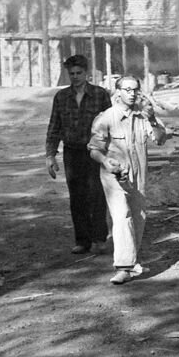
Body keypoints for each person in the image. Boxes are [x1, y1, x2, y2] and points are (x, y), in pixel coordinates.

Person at [87, 75, 167, 286]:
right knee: (122, 216)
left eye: (135, 90)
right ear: (118, 92)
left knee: (138, 216)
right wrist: (106, 161)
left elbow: (160, 139)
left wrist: (152, 119)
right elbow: (94, 150)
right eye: (127, 90)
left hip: (138, 176)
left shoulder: (144, 116)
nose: (132, 94)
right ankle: (123, 267)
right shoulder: (106, 118)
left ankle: (132, 261)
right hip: (114, 176)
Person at [44, 54, 112, 255]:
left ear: (86, 73)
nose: (75, 77)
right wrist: (50, 155)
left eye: (78, 73)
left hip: (95, 152)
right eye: (71, 73)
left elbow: (112, 124)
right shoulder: (61, 97)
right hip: (72, 153)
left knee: (97, 195)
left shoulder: (100, 94)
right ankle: (82, 241)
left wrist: (113, 152)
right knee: (77, 197)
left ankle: (99, 238)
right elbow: (54, 126)